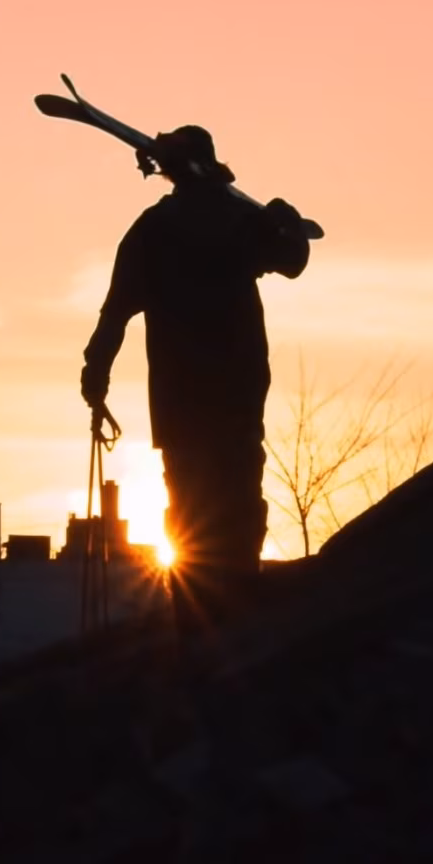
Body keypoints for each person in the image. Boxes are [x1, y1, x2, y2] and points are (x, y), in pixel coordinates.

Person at [79, 124, 311, 635]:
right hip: (232, 391)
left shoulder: (156, 229)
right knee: (233, 499)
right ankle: (226, 603)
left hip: (188, 397)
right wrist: (286, 224)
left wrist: (96, 374)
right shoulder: (237, 224)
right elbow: (294, 261)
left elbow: (115, 313)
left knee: (191, 504)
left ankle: (201, 613)